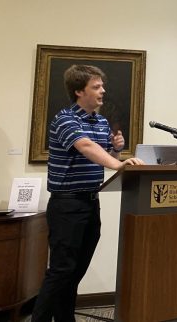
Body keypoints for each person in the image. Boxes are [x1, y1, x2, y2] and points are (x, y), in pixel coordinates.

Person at [32, 65, 145, 322]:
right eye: (96, 87)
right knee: (61, 271)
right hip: (67, 205)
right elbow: (85, 146)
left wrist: (117, 150)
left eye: (102, 86)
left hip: (91, 203)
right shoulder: (65, 119)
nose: (103, 91)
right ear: (79, 91)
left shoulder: (101, 121)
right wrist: (118, 163)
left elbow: (104, 156)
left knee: (75, 271)